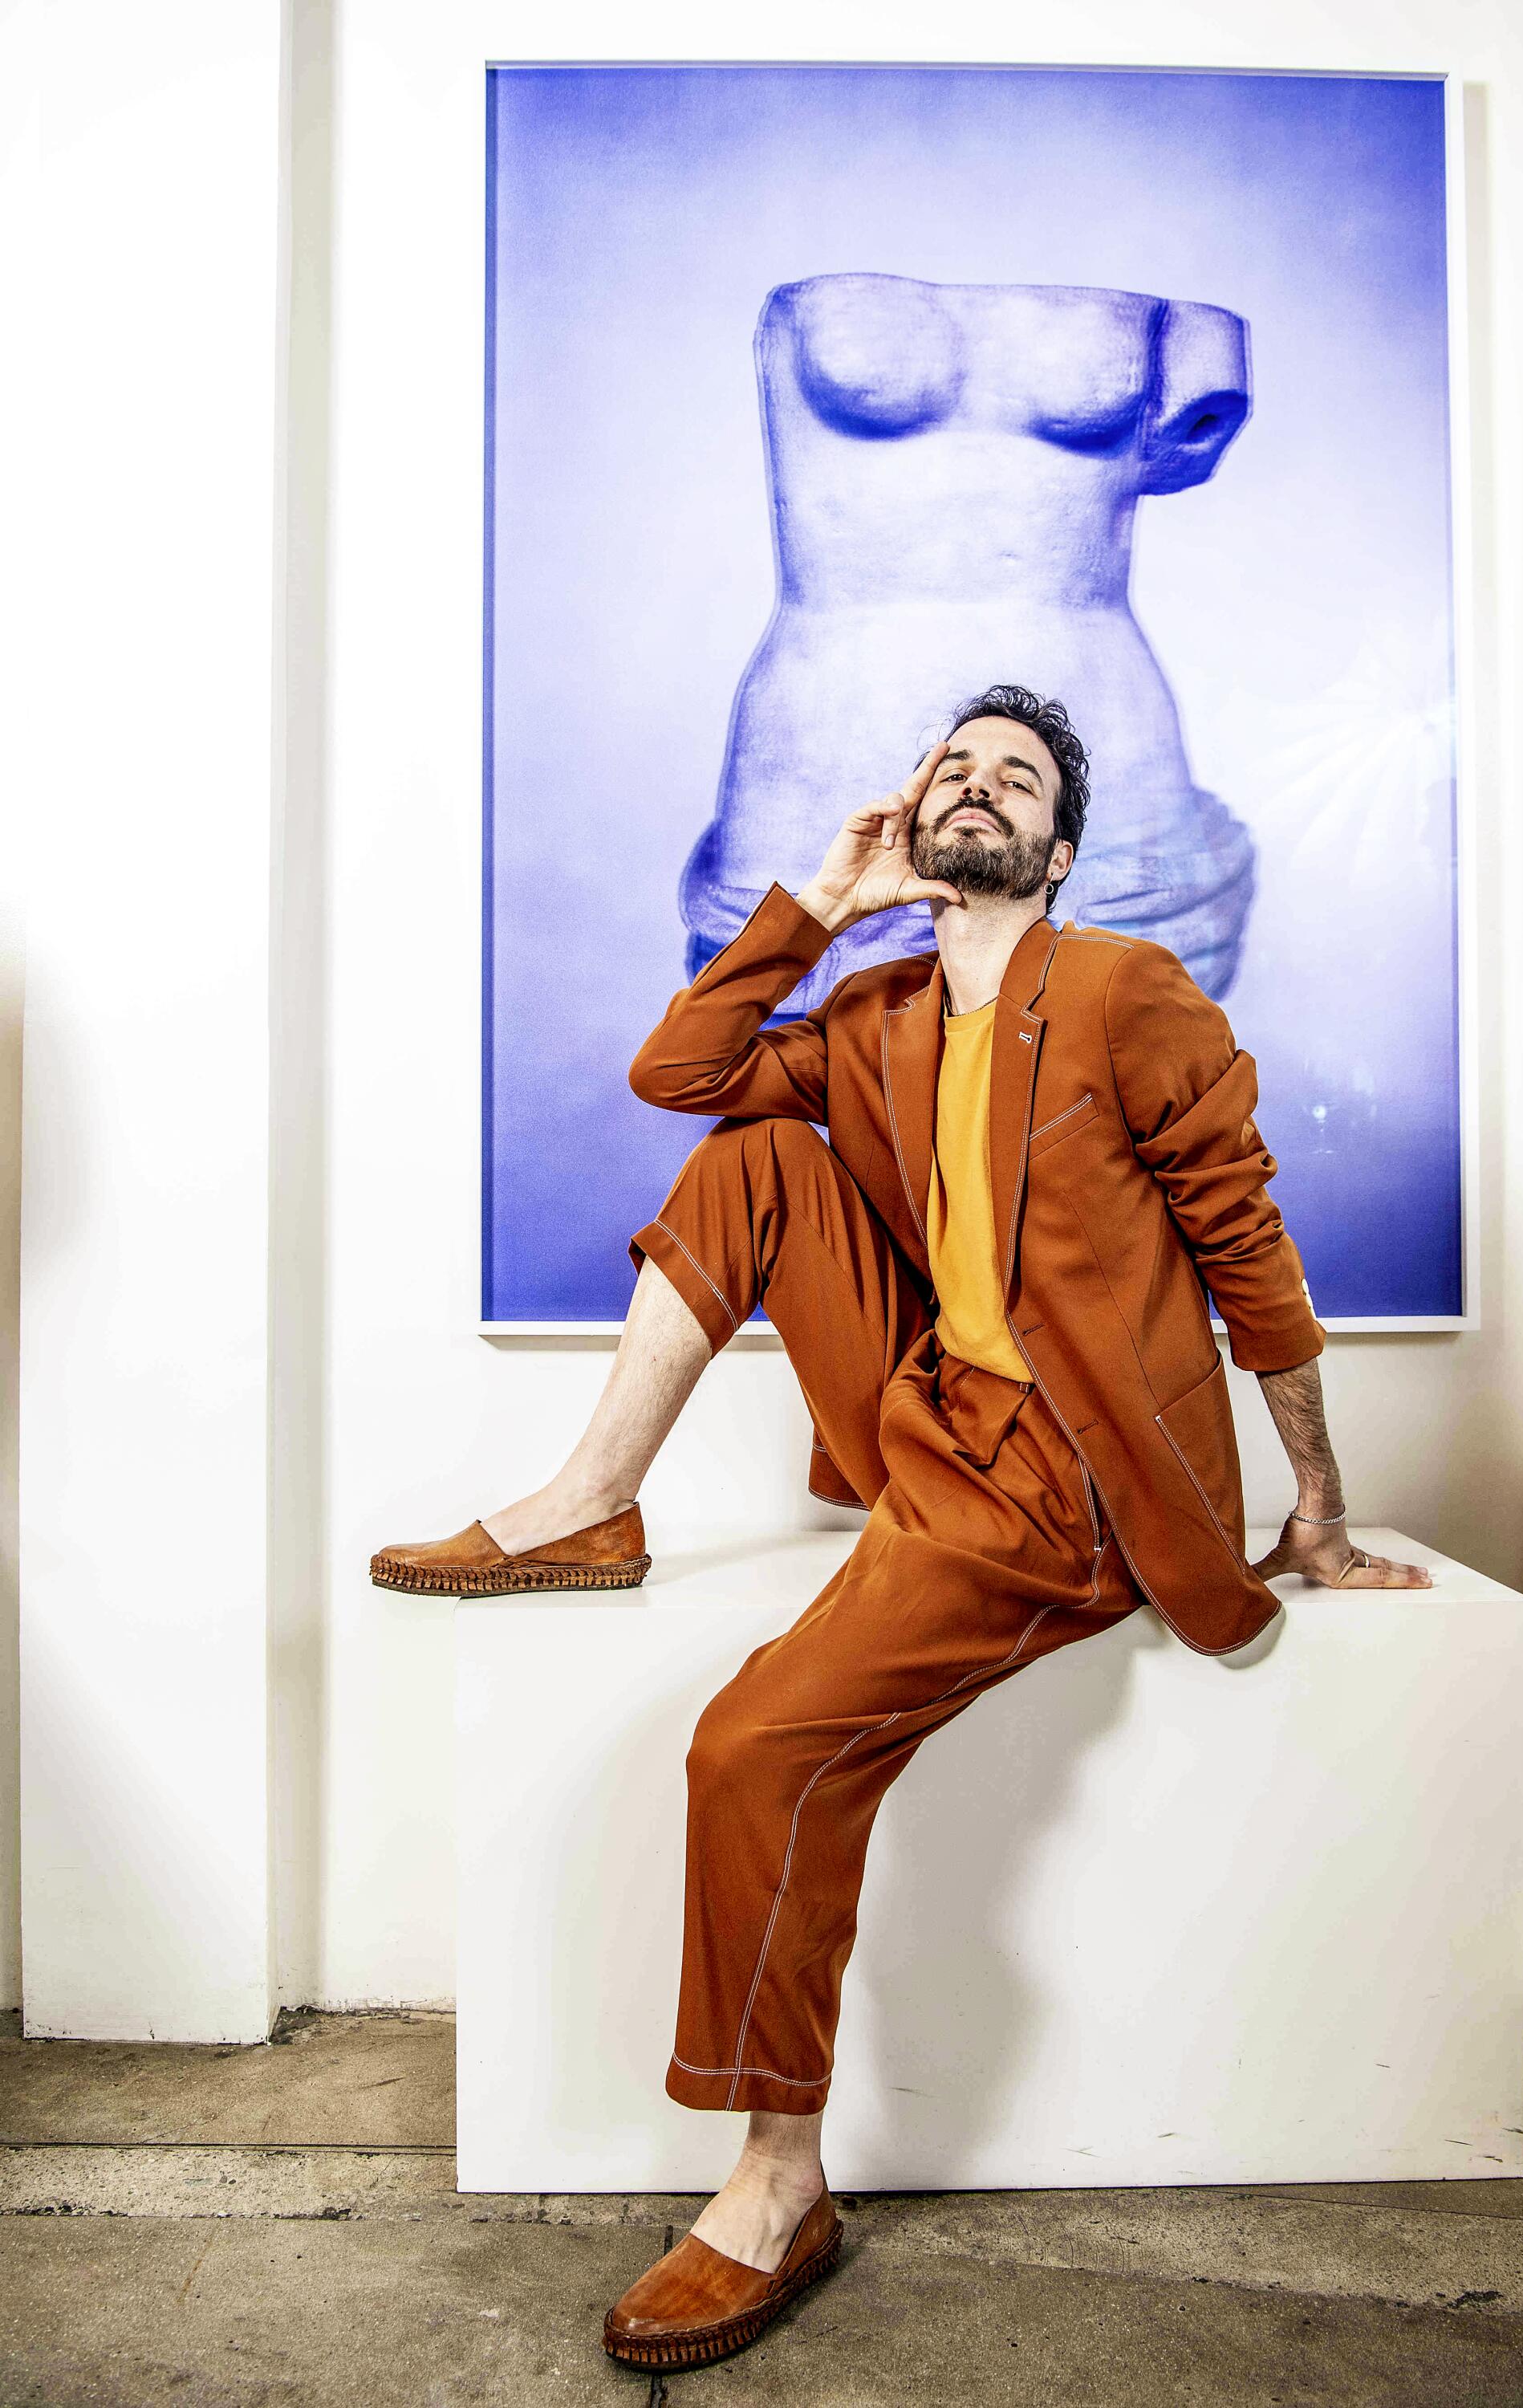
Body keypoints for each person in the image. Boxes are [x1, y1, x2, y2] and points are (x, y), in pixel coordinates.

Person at [372, 685, 1432, 2373]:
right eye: (954, 766)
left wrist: (1311, 1502)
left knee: (755, 1750)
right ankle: (590, 1502)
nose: (976, 786)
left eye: (1014, 778)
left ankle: (777, 2183)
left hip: (1059, 1487)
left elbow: (1248, 1251)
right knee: (753, 1160)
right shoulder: (878, 1006)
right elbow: (682, 1072)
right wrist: (820, 898)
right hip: (931, 1423)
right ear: (915, 821)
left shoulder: (1124, 993)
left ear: (1057, 852)